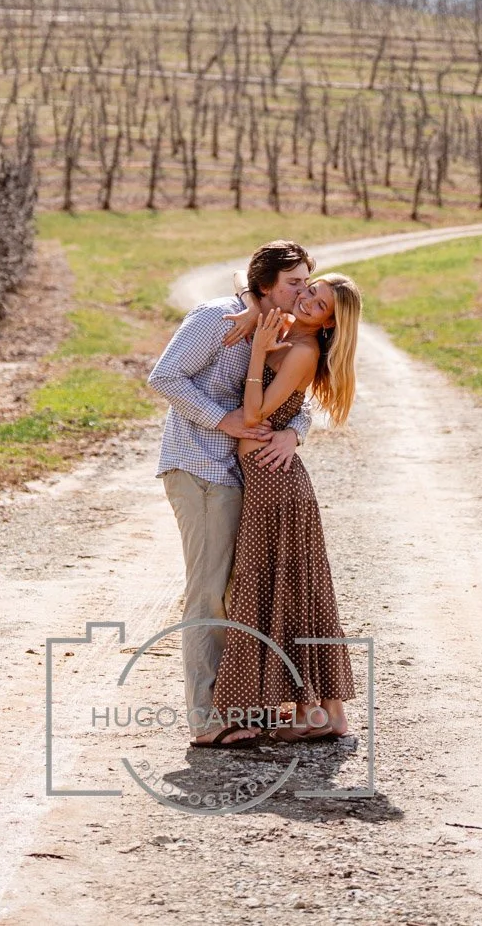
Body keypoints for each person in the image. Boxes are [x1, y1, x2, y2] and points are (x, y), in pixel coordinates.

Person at [149, 240, 315, 748]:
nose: (303, 291)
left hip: (244, 474)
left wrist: (295, 432)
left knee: (236, 593)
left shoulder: (282, 330)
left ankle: (240, 707)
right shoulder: (217, 319)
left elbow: (295, 398)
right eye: (294, 283)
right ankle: (206, 719)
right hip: (200, 467)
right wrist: (222, 419)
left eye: (308, 281)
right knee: (208, 591)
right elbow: (164, 377)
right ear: (264, 285)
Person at [211, 272, 361, 743]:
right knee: (297, 590)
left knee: (275, 592)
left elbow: (253, 417)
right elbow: (245, 276)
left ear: (331, 322)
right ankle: (326, 713)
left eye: (320, 304)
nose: (308, 300)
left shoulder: (301, 352)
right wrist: (257, 311)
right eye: (310, 290)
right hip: (268, 479)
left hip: (276, 485)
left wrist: (257, 351)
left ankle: (307, 711)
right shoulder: (285, 333)